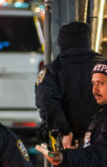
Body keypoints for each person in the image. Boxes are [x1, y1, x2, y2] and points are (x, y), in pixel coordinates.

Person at [35, 21, 103, 149]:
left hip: (69, 142)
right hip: (103, 138)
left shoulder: (53, 70)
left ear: (62, 43)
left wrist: (64, 130)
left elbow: (46, 101)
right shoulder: (106, 67)